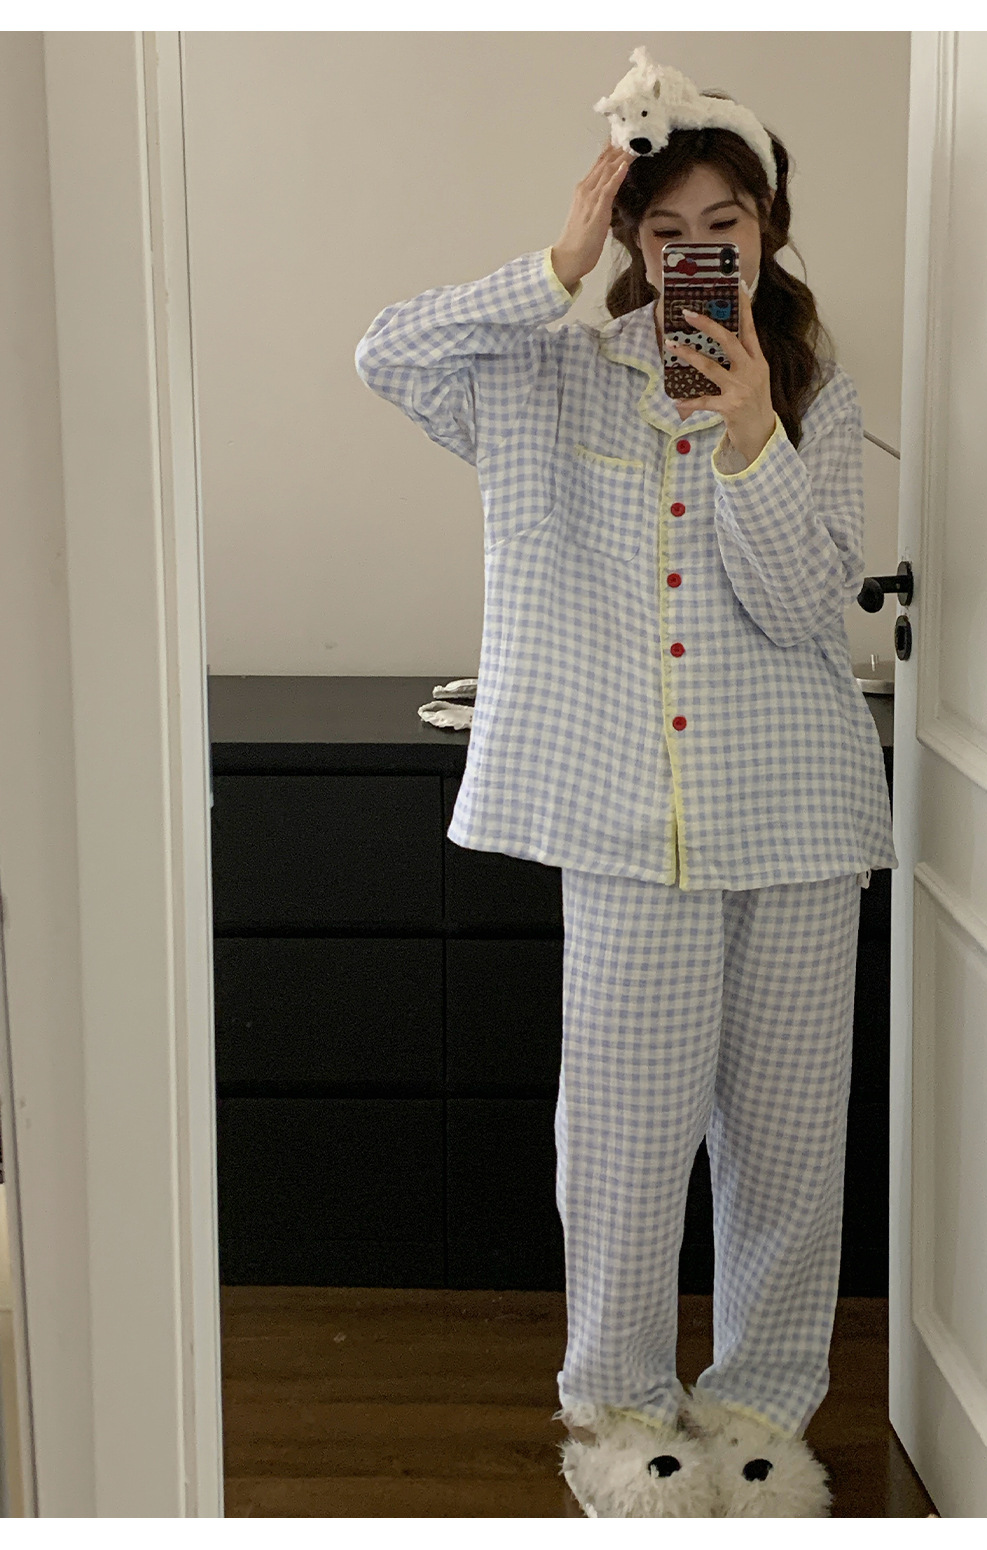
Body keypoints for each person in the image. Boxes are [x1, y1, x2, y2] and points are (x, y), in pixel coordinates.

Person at [355, 67, 896, 1518]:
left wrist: (753, 431)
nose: (697, 250)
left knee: (789, 1143)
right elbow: (387, 354)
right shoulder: (543, 371)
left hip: (795, 813)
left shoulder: (813, 396)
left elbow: (801, 607)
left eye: (725, 225)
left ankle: (760, 1410)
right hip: (620, 821)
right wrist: (560, 258)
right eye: (667, 229)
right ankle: (620, 1415)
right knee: (623, 1142)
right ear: (635, 239)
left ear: (767, 230)